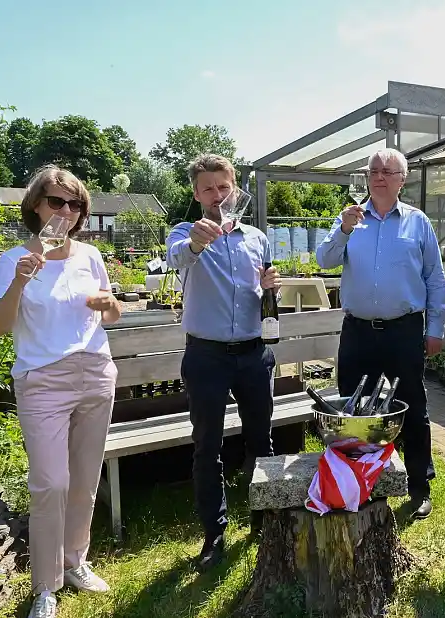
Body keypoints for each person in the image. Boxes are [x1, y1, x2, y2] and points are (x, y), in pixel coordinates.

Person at [0, 165, 121, 618]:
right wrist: (21, 281)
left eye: (75, 204)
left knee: (84, 481)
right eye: (56, 201)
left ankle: (76, 561)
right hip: (42, 380)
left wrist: (110, 304)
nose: (66, 211)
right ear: (36, 206)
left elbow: (110, 314)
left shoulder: (89, 256)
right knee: (50, 484)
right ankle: (46, 586)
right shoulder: (13, 260)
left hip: (96, 373)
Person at [316, 148, 445, 519]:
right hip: (358, 331)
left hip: (403, 330)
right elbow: (323, 260)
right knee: (354, 408)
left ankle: (419, 486)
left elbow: (434, 279)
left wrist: (435, 328)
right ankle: (359, 480)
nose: (379, 176)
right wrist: (342, 229)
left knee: (412, 406)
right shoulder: (350, 220)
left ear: (402, 180)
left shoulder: (417, 223)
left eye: (388, 171)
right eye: (373, 170)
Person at [165, 153, 280, 572]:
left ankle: (264, 519)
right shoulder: (185, 233)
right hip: (206, 356)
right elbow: (178, 257)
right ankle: (213, 534)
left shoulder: (256, 237)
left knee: (261, 441)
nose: (218, 195)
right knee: (207, 446)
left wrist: (269, 286)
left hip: (253, 354)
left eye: (224, 186)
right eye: (208, 189)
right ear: (197, 195)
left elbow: (262, 292)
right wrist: (197, 242)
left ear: (234, 188)